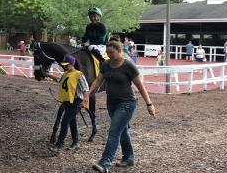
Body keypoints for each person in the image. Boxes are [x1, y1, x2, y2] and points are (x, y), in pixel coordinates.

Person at [86, 41, 155, 173]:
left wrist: (149, 104)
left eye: (111, 52)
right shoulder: (106, 65)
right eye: (107, 53)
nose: (109, 55)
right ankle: (129, 158)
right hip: (112, 103)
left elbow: (140, 86)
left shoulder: (128, 66)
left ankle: (105, 162)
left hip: (127, 103)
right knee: (121, 130)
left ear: (119, 50)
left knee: (114, 131)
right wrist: (88, 93)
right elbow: (98, 81)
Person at [46, 54, 89, 152]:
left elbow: (86, 89)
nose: (65, 66)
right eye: (64, 65)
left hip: (75, 102)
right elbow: (59, 80)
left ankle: (59, 145)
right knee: (72, 123)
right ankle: (75, 142)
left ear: (72, 64)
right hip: (67, 102)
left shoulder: (79, 74)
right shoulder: (65, 74)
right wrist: (47, 75)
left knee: (64, 122)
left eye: (67, 65)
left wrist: (84, 102)